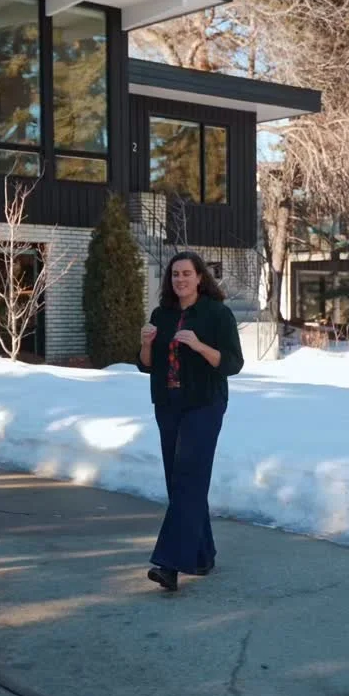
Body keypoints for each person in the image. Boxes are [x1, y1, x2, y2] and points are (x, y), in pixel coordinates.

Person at [137, 251, 244, 592]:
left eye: (186, 273)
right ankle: (202, 555)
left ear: (199, 277)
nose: (180, 279)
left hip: (205, 403)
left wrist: (199, 346)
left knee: (188, 478)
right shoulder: (161, 315)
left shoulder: (217, 314)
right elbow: (147, 365)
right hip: (168, 404)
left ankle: (169, 564)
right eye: (175, 274)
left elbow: (233, 363)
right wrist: (146, 344)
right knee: (180, 482)